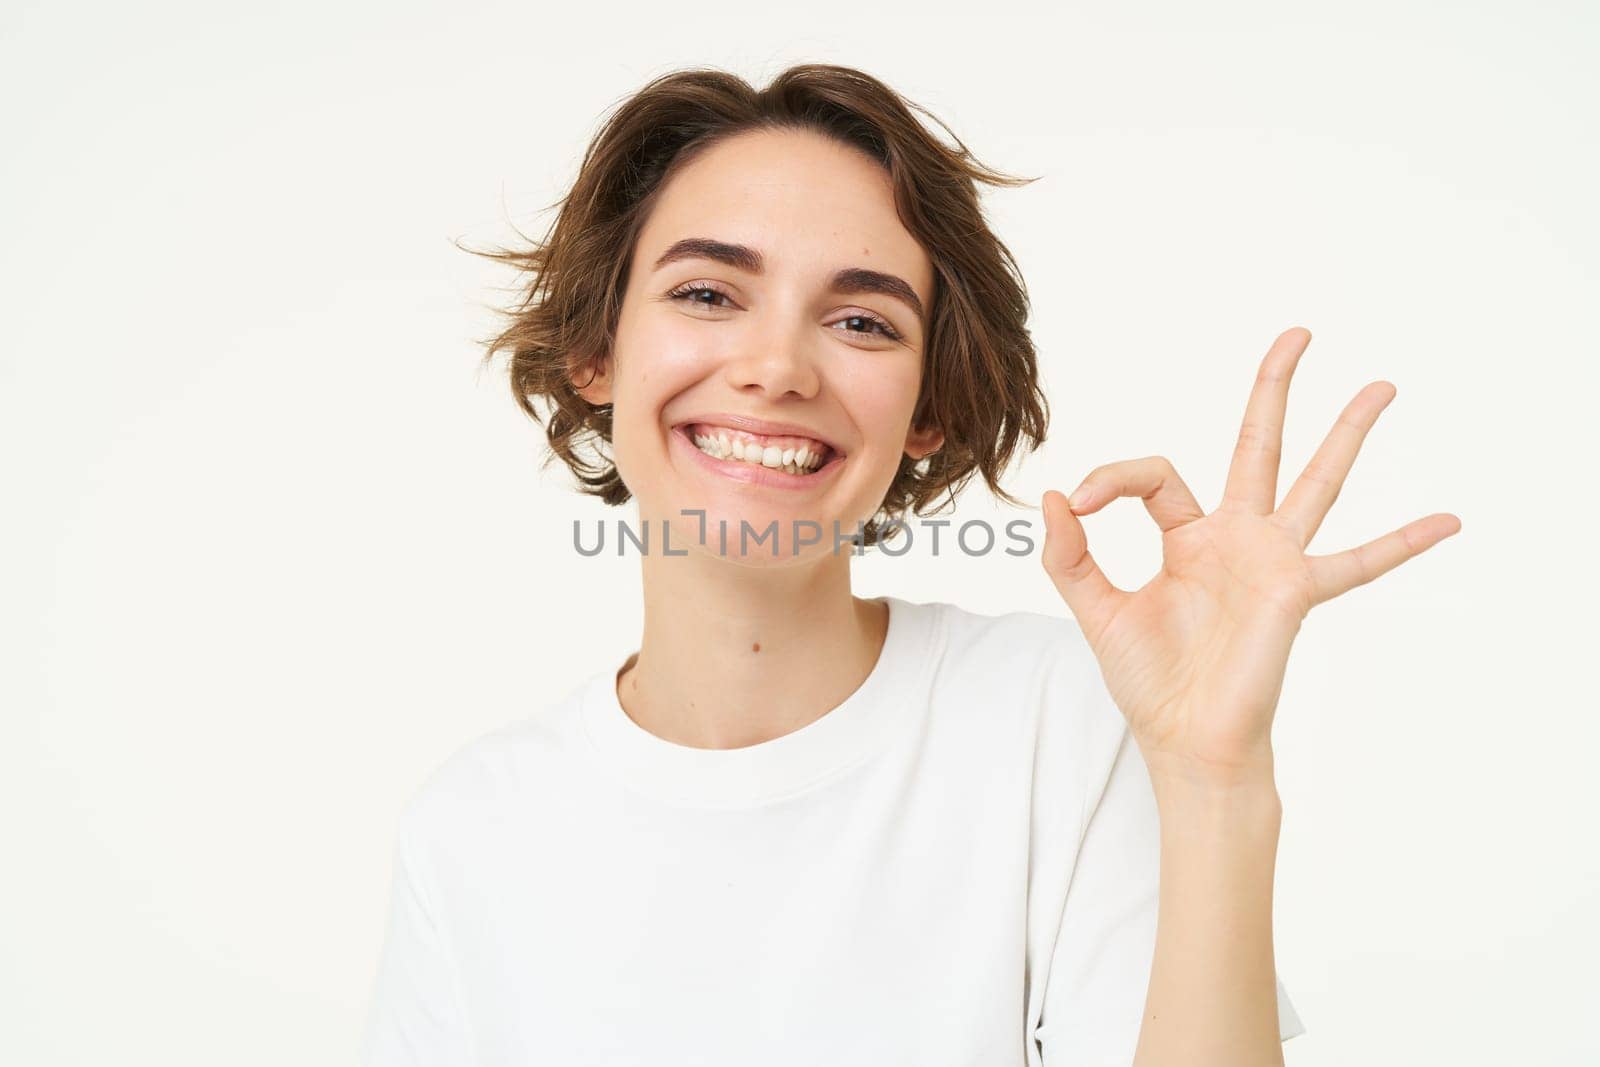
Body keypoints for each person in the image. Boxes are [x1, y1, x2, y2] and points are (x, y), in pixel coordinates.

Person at [360, 64, 1460, 1066]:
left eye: (860, 320)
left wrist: (1214, 782)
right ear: (596, 350)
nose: (777, 367)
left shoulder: (1059, 724)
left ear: (928, 407)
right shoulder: (471, 832)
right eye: (706, 293)